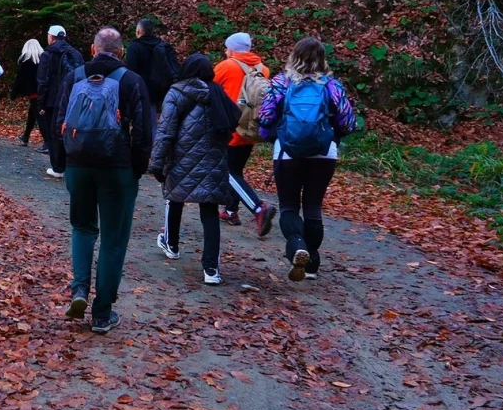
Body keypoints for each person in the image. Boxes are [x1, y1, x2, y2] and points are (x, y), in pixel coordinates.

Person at [56, 27, 152, 333]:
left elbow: (59, 121)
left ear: (93, 49)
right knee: (113, 238)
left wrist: (64, 162)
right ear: (121, 52)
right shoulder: (132, 81)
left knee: (82, 228)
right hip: (117, 168)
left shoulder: (74, 78)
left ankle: (79, 290)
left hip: (78, 165)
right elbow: (144, 133)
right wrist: (135, 168)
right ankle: (102, 313)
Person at [257, 36, 357, 282]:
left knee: (289, 206)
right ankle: (311, 263)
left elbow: (265, 117)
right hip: (324, 153)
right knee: (313, 207)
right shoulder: (332, 85)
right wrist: (332, 135)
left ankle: (297, 246)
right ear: (322, 59)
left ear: (294, 56)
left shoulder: (282, 82)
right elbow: (348, 122)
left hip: (287, 152)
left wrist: (273, 135)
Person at [149, 53, 242, 286]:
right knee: (209, 213)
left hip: (181, 159)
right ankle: (211, 269)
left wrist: (157, 162)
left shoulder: (177, 93)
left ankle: (171, 243)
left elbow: (166, 131)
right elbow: (234, 119)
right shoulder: (217, 93)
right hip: (213, 161)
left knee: (174, 198)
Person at [214, 32, 278, 234]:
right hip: (251, 128)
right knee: (236, 170)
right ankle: (231, 211)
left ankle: (258, 208)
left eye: (227, 48)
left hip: (230, 128)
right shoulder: (263, 69)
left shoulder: (225, 66)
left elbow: (210, 90)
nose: (225, 51)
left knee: (227, 172)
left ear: (232, 49)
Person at [36, 25, 84, 177]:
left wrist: (41, 103)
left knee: (54, 132)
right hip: (73, 97)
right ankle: (71, 163)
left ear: (51, 37)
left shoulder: (47, 54)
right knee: (71, 130)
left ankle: (57, 167)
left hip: (53, 99)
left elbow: (42, 81)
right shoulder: (75, 53)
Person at [125, 18, 179, 113]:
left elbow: (130, 71)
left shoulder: (134, 47)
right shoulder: (162, 45)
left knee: (148, 123)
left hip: (143, 91)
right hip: (163, 90)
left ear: (138, 31)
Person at [12, 38, 44, 146]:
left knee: (40, 117)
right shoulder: (44, 61)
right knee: (33, 113)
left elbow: (20, 79)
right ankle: (26, 135)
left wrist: (14, 93)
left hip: (34, 93)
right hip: (44, 92)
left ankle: (47, 143)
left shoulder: (26, 63)